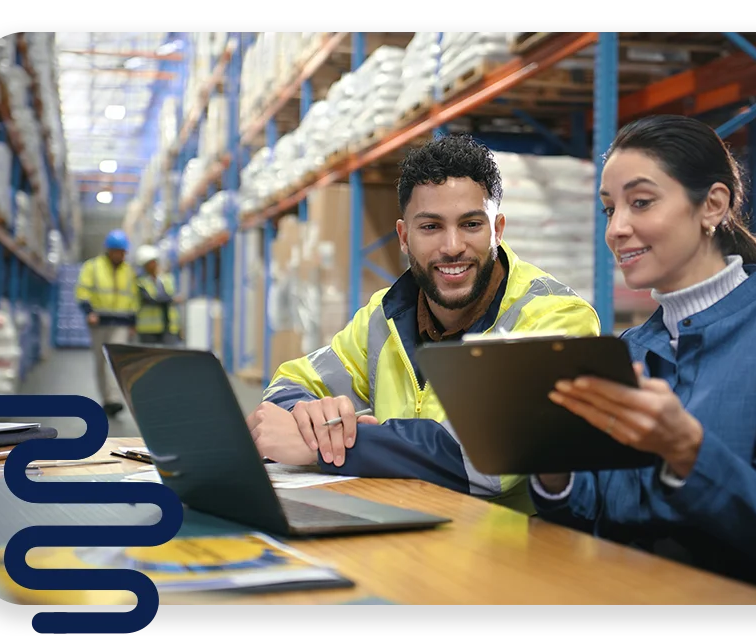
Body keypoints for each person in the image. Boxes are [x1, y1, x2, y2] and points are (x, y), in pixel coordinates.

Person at [530, 114, 756, 598]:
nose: (617, 228)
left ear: (713, 205)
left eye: (640, 203)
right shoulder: (630, 348)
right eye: (609, 209)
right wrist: (552, 468)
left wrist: (687, 450)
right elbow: (593, 513)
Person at [245, 133, 602, 514]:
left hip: (513, 551)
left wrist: (328, 446)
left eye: (470, 224)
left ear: (497, 230)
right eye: (430, 227)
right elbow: (288, 386)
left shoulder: (554, 317)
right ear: (403, 236)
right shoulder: (383, 318)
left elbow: (489, 461)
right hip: (404, 532)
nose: (451, 246)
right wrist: (311, 418)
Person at [75, 229, 138, 416]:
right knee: (100, 362)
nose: (120, 255)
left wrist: (133, 321)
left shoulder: (129, 271)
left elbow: (134, 297)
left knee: (117, 360)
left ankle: (115, 399)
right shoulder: (92, 267)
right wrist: (89, 312)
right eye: (117, 251)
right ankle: (106, 398)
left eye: (123, 252)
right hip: (99, 322)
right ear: (109, 250)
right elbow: (82, 291)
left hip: (121, 322)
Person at [134, 244, 183, 345]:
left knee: (169, 357)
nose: (153, 265)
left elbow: (169, 295)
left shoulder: (167, 279)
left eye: (154, 262)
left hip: (169, 328)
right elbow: (151, 299)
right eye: (149, 263)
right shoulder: (140, 283)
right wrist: (171, 299)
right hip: (148, 330)